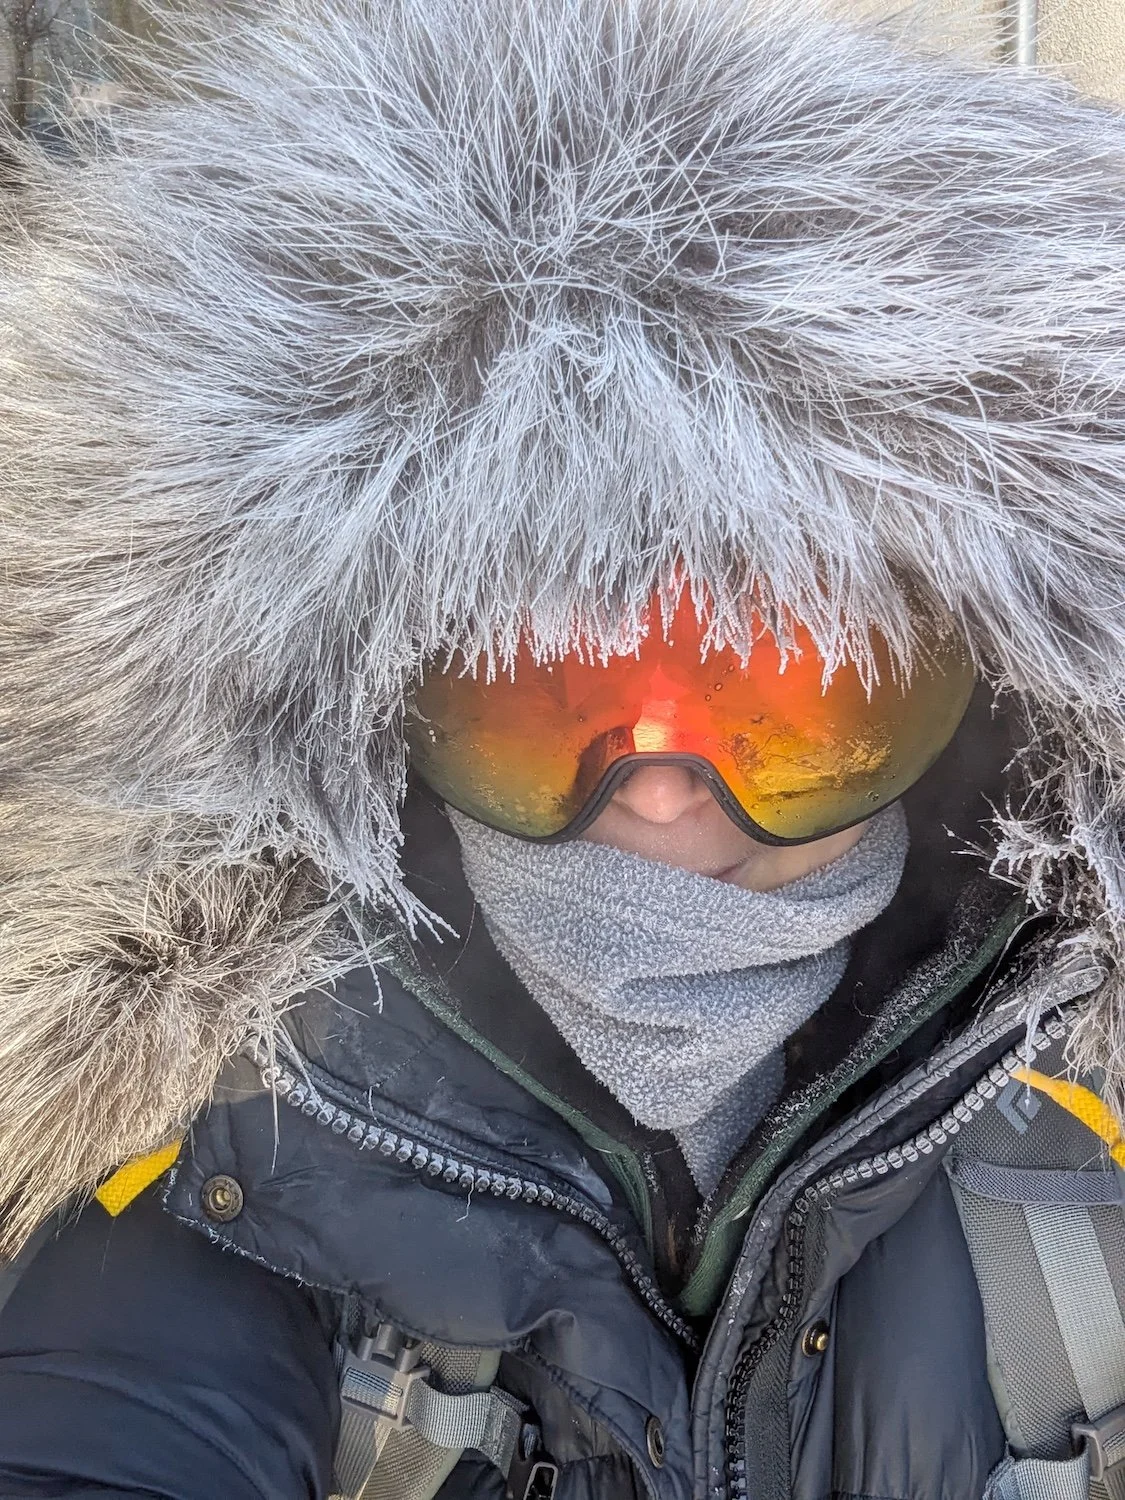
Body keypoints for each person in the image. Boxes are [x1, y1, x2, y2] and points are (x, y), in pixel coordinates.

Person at [0, 0, 1124, 1496]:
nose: (660, 783)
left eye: (791, 693)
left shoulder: (1085, 1142)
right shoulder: (222, 1146)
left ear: (977, 696)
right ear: (373, 699)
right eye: (545, 696)